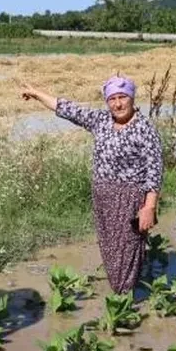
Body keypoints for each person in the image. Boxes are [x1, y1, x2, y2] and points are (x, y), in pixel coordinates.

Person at [19, 75, 163, 294]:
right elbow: (68, 109)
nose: (118, 104)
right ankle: (122, 292)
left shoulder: (145, 129)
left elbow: (154, 170)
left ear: (132, 98)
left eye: (122, 97)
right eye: (112, 99)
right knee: (109, 248)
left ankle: (124, 297)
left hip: (129, 199)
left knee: (127, 248)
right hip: (102, 197)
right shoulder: (101, 120)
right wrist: (37, 95)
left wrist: (149, 207)